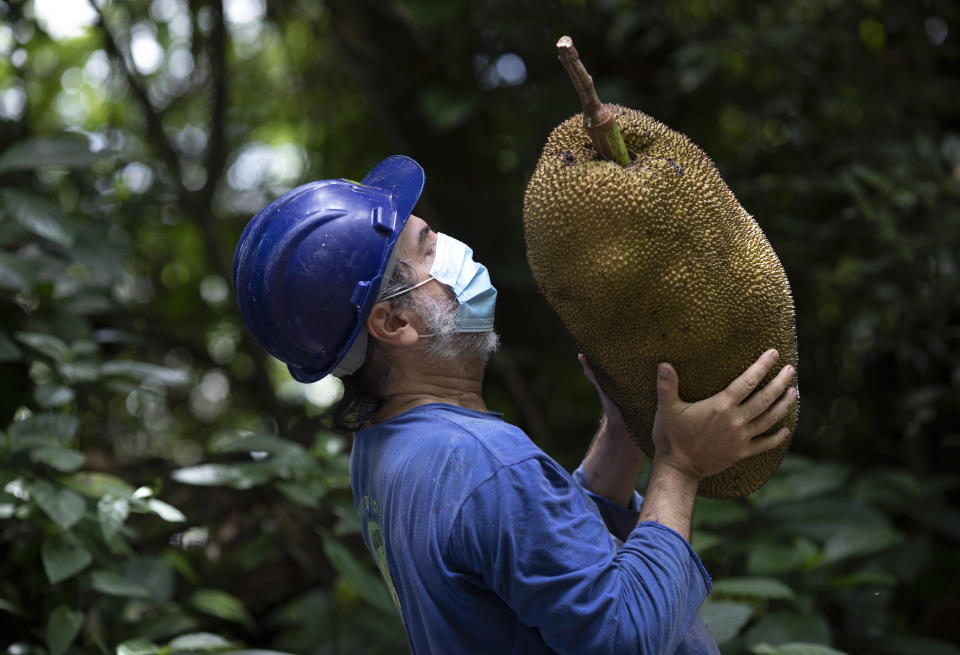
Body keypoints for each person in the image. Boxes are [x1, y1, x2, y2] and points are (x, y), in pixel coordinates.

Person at [233, 155, 798, 654]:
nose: (453, 248)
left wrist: (622, 433)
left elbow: (532, 554)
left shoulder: (385, 452)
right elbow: (626, 636)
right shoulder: (483, 463)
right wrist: (680, 467)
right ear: (395, 321)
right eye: (428, 244)